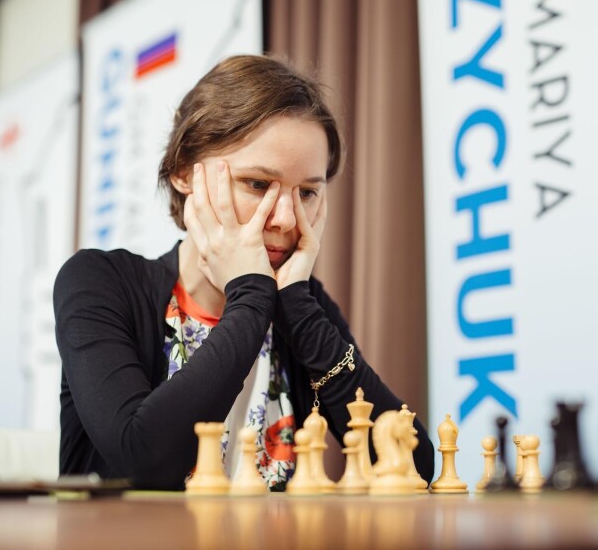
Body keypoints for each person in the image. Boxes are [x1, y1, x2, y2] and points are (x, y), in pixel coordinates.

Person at [54, 55, 434, 491]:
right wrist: (251, 296)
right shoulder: (100, 283)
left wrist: (300, 314)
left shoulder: (300, 304)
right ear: (183, 172)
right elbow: (143, 463)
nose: (287, 219)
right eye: (257, 184)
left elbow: (415, 468)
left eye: (307, 191)